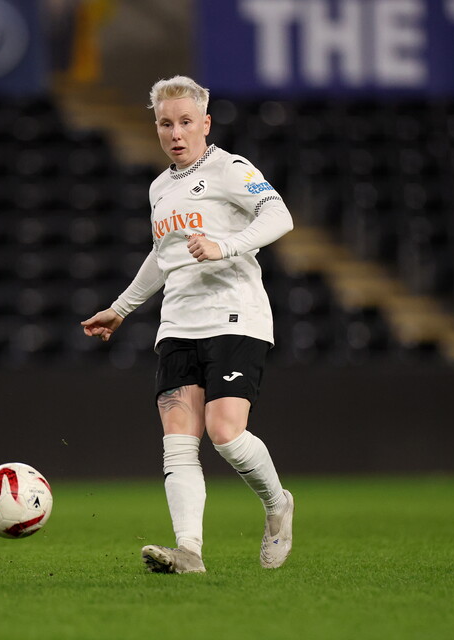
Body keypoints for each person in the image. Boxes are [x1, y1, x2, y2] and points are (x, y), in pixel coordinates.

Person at [81, 75, 294, 574]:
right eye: (164, 123)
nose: (175, 133)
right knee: (178, 440)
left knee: (225, 433)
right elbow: (163, 255)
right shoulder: (159, 187)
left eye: (185, 122)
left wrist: (226, 246)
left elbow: (279, 216)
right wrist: (121, 308)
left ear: (206, 123)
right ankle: (189, 551)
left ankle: (277, 503)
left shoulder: (230, 169)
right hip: (178, 324)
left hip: (234, 315)